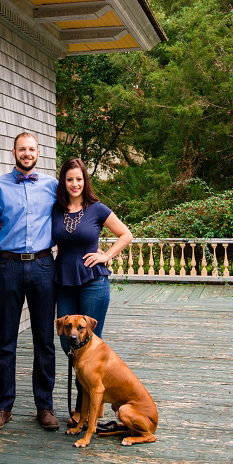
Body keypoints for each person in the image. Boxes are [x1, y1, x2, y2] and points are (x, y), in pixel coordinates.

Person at [0, 132, 60, 432]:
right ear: (13, 151)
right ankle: (3, 407)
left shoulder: (53, 186)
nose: (27, 153)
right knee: (6, 341)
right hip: (8, 267)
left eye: (32, 149)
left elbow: (71, 219)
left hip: (42, 266)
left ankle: (45, 406)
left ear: (39, 152)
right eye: (22, 149)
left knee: (44, 341)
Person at [52, 158, 132, 424]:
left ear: (85, 181)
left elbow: (126, 234)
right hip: (64, 284)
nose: (75, 184)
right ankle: (85, 405)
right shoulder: (56, 209)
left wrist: (105, 256)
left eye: (79, 179)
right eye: (69, 179)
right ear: (63, 182)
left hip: (93, 284)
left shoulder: (97, 209)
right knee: (68, 342)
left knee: (88, 347)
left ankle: (83, 410)